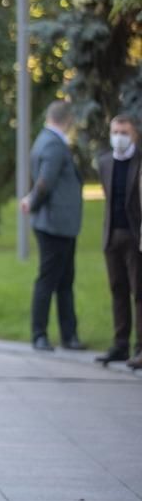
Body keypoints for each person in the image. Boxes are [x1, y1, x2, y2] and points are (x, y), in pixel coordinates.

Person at [22, 100, 85, 352]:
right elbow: (45, 183)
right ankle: (40, 335)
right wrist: (33, 203)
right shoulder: (54, 144)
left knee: (64, 281)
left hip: (59, 224)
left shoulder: (44, 139)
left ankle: (69, 335)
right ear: (68, 119)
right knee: (49, 281)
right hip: (54, 224)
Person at [96, 114, 141, 364]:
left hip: (135, 235)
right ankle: (120, 343)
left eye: (124, 132)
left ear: (133, 134)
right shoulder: (104, 162)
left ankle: (140, 346)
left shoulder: (140, 161)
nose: (119, 137)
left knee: (139, 291)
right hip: (112, 234)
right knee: (118, 290)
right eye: (115, 132)